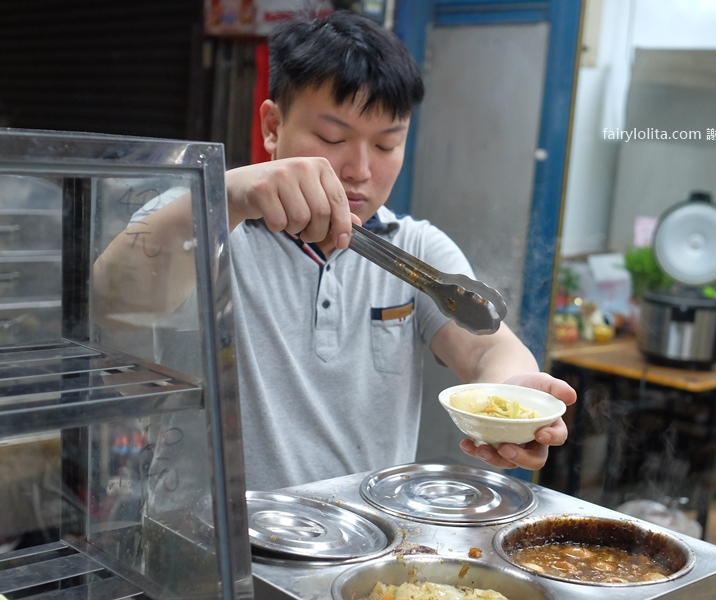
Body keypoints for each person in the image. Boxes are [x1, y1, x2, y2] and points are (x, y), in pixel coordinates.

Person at [92, 11, 576, 493]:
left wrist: (515, 395)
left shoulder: (414, 247)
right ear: (272, 126)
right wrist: (228, 195)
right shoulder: (203, 219)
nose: (360, 169)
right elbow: (112, 296)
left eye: (387, 145)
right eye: (333, 138)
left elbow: (487, 346)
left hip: (365, 533)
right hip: (213, 531)